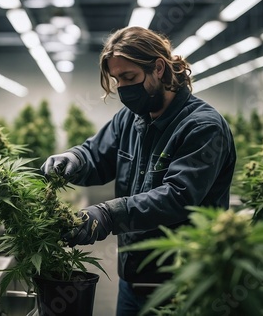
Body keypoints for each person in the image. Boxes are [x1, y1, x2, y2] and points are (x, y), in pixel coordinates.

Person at [40, 26, 236, 315]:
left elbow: (178, 198)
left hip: (185, 281)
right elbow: (98, 154)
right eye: (117, 79)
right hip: (133, 279)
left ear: (158, 68)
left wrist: (108, 214)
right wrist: (74, 158)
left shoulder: (202, 127)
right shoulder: (131, 119)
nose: (122, 88)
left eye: (129, 77)